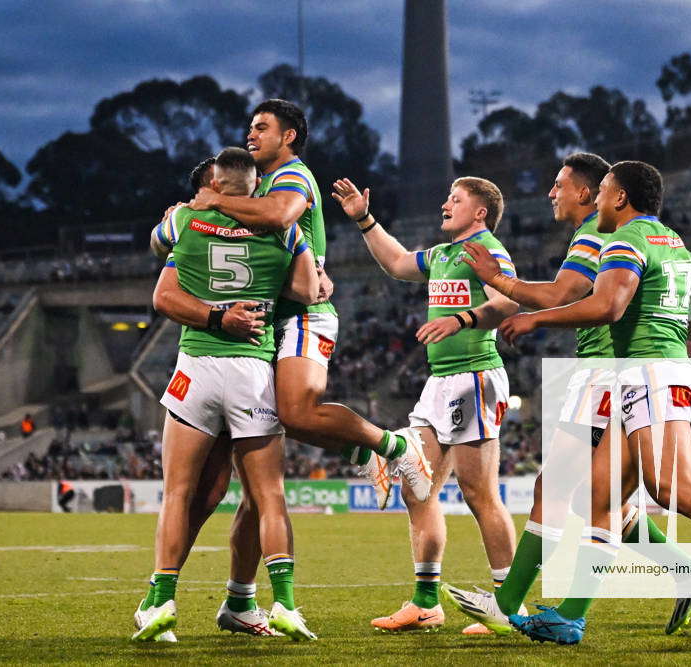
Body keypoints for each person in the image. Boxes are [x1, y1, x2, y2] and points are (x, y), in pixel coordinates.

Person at [495, 161, 691, 643]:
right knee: (605, 498)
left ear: (621, 199)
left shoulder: (625, 240)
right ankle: (571, 616)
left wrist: (536, 320)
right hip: (652, 372)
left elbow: (608, 306)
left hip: (648, 373)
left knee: (670, 486)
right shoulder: (677, 245)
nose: (596, 201)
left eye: (603, 193)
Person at [444, 153, 691, 636]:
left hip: (606, 374)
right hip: (615, 370)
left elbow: (558, 295)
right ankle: (684, 571)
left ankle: (518, 605)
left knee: (574, 491)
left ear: (587, 193)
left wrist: (498, 280)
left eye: (559, 184)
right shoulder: (639, 235)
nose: (551, 193)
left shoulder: (595, 233)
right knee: (603, 499)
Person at [188, 99, 430, 510]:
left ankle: (396, 444)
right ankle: (360, 452)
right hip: (271, 320)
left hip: (305, 315)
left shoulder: (293, 176)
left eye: (262, 127)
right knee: (279, 418)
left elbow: (282, 215)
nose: (251, 134)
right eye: (250, 127)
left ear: (289, 136)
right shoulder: (259, 187)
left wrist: (212, 202)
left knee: (297, 413)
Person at [132, 147, 321, 643]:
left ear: (212, 183)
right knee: (269, 495)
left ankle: (161, 600)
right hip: (253, 369)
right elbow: (308, 289)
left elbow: (157, 256)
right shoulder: (285, 228)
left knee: (178, 492)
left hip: (196, 365)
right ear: (256, 186)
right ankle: (285, 603)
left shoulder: (188, 219)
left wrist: (190, 214)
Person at [332, 175, 519, 633]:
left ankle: (512, 609)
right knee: (417, 489)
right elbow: (396, 262)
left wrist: (462, 319)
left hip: (475, 376)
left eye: (455, 199)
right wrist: (364, 220)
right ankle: (425, 602)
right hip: (440, 383)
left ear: (480, 213)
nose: (444, 203)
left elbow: (508, 302)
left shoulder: (487, 250)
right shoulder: (442, 255)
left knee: (479, 495)